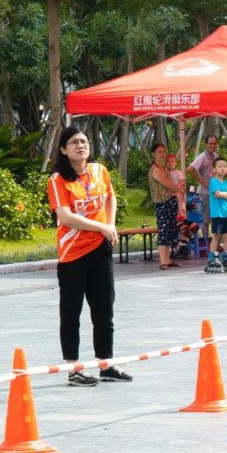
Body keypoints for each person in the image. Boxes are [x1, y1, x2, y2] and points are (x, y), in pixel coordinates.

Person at [47, 126, 133, 387]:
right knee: (71, 313)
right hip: (73, 254)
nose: (80, 146)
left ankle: (105, 364)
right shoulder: (58, 179)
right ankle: (73, 370)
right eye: (73, 142)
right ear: (63, 149)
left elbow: (110, 197)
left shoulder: (99, 171)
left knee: (104, 308)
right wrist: (102, 227)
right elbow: (65, 216)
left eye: (84, 141)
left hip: (100, 249)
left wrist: (111, 224)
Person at [148, 142, 182, 270]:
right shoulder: (156, 170)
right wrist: (179, 187)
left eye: (163, 151)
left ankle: (167, 259)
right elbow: (170, 184)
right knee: (163, 231)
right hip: (162, 204)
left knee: (170, 231)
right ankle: (162, 260)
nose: (162, 154)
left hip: (171, 202)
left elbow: (172, 185)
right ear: (153, 154)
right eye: (159, 152)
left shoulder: (164, 168)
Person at [206, 157, 227, 274]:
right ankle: (212, 257)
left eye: (224, 166)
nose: (223, 168)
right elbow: (217, 194)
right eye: (220, 166)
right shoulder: (213, 182)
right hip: (217, 213)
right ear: (214, 169)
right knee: (216, 235)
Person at [187, 135, 221, 243]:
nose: (212, 145)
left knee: (216, 218)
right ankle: (207, 243)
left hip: (215, 192)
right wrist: (202, 182)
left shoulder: (215, 156)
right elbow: (190, 169)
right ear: (206, 145)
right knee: (205, 220)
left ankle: (215, 243)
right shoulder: (202, 157)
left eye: (214, 143)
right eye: (210, 143)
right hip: (204, 193)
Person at [167, 153, 187, 218]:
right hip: (169, 194)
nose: (170, 163)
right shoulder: (165, 173)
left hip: (177, 192)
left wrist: (176, 188)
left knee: (179, 202)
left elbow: (182, 180)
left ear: (176, 163)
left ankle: (181, 214)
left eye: (172, 161)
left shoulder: (178, 172)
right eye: (168, 161)